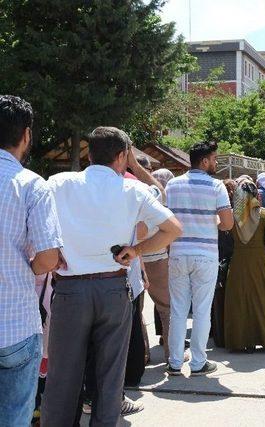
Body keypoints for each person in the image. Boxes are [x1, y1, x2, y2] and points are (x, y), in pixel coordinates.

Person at [42, 127, 182, 426]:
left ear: (89, 154)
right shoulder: (133, 190)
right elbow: (173, 229)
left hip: (69, 289)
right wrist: (136, 250)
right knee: (109, 378)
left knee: (63, 377)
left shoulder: (59, 183)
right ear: (122, 157)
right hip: (113, 287)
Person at [0, 95, 64, 427]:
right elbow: (49, 257)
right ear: (26, 135)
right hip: (14, 323)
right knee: (14, 417)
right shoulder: (32, 186)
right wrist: (25, 269)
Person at [165, 141, 234, 377]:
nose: (216, 163)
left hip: (177, 253)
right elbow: (227, 223)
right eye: (214, 159)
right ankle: (197, 362)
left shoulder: (172, 185)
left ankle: (174, 362)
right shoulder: (216, 186)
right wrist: (210, 221)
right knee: (202, 310)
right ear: (204, 161)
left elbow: (166, 219)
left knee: (178, 310)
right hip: (205, 254)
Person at [224, 177, 265, 352]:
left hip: (238, 261)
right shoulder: (263, 213)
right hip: (260, 261)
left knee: (240, 301)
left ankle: (242, 341)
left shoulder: (233, 215)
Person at [143, 168, 175, 359]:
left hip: (134, 261)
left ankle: (143, 353)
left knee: (136, 311)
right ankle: (171, 352)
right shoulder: (161, 205)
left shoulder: (135, 200)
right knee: (166, 308)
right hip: (157, 259)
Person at [210, 179, 237, 348]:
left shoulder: (212, 212)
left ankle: (216, 332)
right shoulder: (235, 214)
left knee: (216, 299)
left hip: (216, 257)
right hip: (230, 258)